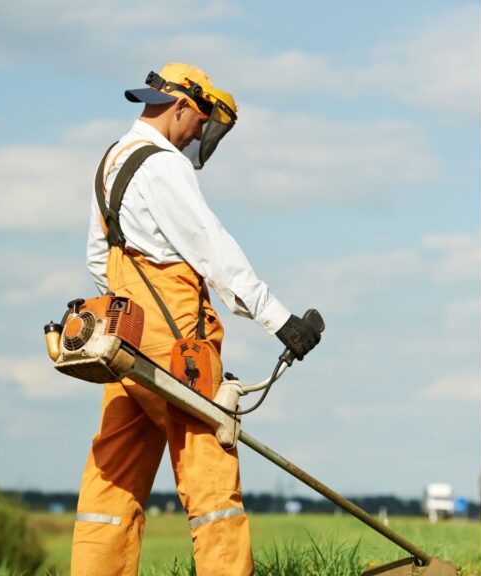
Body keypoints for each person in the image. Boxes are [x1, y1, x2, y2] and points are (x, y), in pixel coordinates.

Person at [73, 62, 320, 575]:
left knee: (113, 480)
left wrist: (130, 308)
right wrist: (279, 321)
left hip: (123, 336)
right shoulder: (163, 166)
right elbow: (212, 250)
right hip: (176, 346)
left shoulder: (111, 160)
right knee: (211, 475)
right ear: (180, 106)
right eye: (200, 122)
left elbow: (100, 261)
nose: (199, 135)